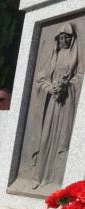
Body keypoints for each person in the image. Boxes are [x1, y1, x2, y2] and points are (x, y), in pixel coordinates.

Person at [30, 23, 81, 188]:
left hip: (67, 103)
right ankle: (39, 176)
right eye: (61, 37)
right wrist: (50, 88)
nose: (64, 40)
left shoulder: (75, 57)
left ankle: (55, 178)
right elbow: (41, 79)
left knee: (60, 138)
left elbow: (80, 77)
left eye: (67, 37)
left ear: (72, 39)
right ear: (57, 39)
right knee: (45, 138)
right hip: (51, 103)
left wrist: (68, 85)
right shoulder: (53, 57)